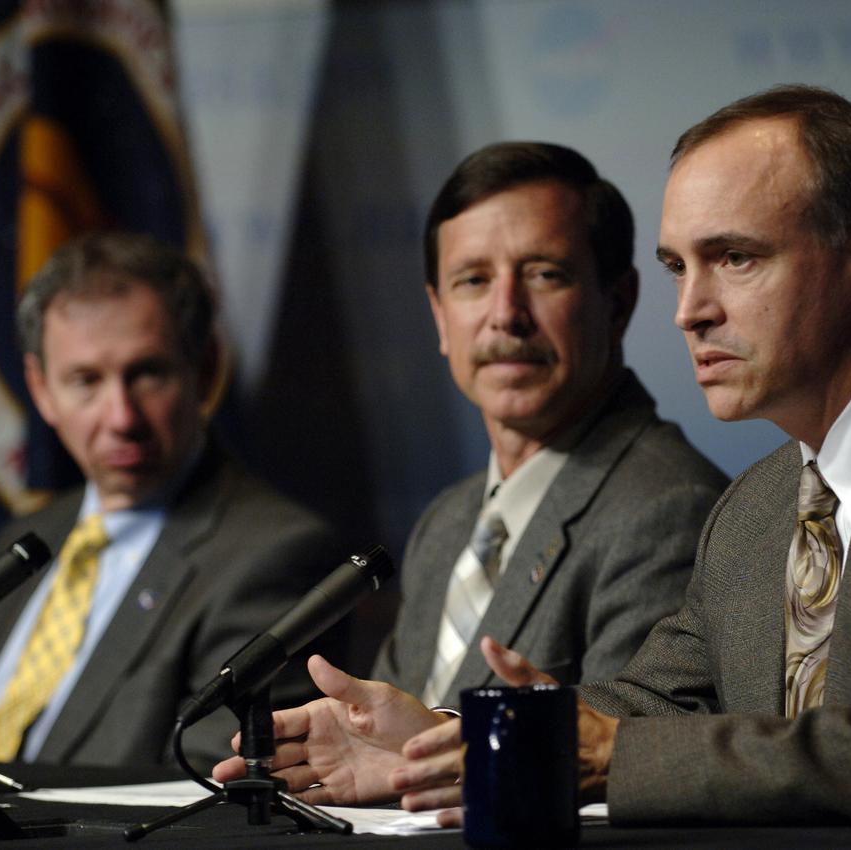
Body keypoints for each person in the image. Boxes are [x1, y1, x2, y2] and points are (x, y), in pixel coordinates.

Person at [255, 88, 851, 845]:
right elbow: (650, 705)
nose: (690, 311)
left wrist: (605, 754)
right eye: (679, 266)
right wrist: (448, 739)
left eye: (735, 258)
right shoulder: (765, 502)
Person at [212, 142, 727, 798]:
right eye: (473, 280)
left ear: (618, 302)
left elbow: (628, 744)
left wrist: (444, 740)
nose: (505, 314)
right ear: (440, 317)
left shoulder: (669, 506)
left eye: (544, 274)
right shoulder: (449, 519)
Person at [0, 232, 341, 771]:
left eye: (147, 373)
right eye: (86, 380)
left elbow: (206, 786)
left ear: (204, 370)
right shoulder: (23, 539)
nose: (121, 418)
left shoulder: (275, 555)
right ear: (41, 391)